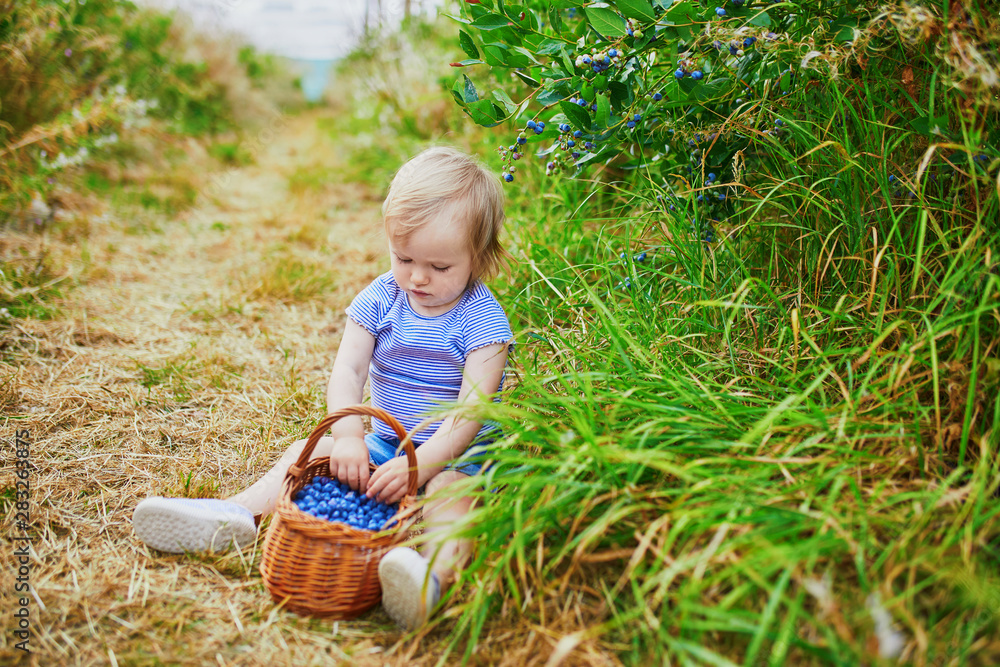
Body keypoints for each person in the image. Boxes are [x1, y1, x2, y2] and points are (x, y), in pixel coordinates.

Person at [131, 146, 513, 630]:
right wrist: (352, 437)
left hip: (455, 455)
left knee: (451, 492)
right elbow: (348, 372)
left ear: (478, 258)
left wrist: (424, 467)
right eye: (404, 257)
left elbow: (468, 413)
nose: (418, 277)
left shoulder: (483, 322)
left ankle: (431, 582)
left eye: (440, 268)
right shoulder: (381, 298)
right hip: (384, 440)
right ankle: (236, 517)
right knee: (307, 453)